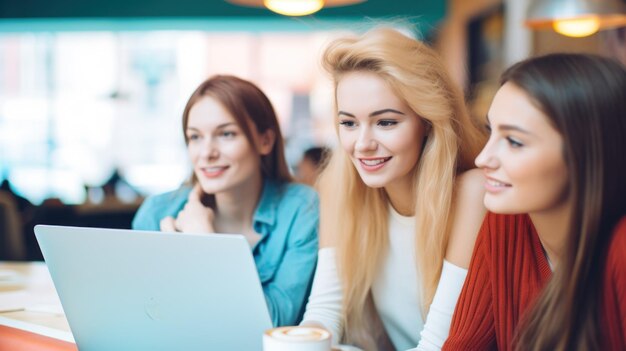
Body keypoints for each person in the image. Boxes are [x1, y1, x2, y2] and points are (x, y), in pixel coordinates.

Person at [300, 27, 487, 350]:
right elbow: (324, 315)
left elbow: (438, 345)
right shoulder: (337, 186)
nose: (363, 144)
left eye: (386, 122)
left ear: (427, 121)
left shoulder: (472, 194)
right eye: (348, 123)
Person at [442, 54, 626, 350]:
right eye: (491, 131)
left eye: (514, 142)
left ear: (587, 155)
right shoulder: (506, 219)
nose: (483, 159)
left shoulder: (620, 247)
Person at [132, 75, 319, 327]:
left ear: (265, 140)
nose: (207, 153)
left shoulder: (301, 209)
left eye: (226, 134)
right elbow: (144, 318)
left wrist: (207, 245)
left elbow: (272, 325)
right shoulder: (157, 212)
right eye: (195, 137)